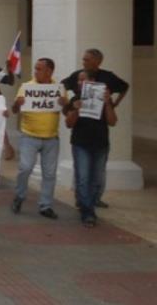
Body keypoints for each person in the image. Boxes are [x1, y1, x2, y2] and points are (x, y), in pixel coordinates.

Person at [61, 48, 129, 209]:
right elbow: (62, 88)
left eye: (87, 60)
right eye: (83, 59)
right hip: (80, 140)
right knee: (83, 176)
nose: (83, 62)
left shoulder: (108, 77)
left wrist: (112, 103)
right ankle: (85, 206)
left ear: (97, 62)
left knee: (98, 176)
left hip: (100, 139)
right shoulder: (76, 96)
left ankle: (95, 199)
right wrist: (66, 103)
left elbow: (124, 88)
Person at [11, 58, 66, 220]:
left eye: (39, 69)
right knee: (25, 168)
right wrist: (17, 104)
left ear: (50, 71)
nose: (36, 72)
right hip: (29, 136)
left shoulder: (58, 89)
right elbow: (15, 110)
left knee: (49, 173)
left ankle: (46, 205)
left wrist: (65, 104)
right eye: (35, 69)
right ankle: (19, 196)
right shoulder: (27, 87)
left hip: (51, 138)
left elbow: (66, 110)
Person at [64, 71, 117, 228]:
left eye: (83, 80)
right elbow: (68, 123)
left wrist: (107, 103)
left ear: (92, 82)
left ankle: (87, 203)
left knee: (96, 179)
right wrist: (76, 110)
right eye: (79, 81)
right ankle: (88, 212)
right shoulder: (75, 99)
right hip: (81, 144)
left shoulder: (105, 98)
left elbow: (113, 121)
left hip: (100, 144)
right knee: (83, 178)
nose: (80, 83)